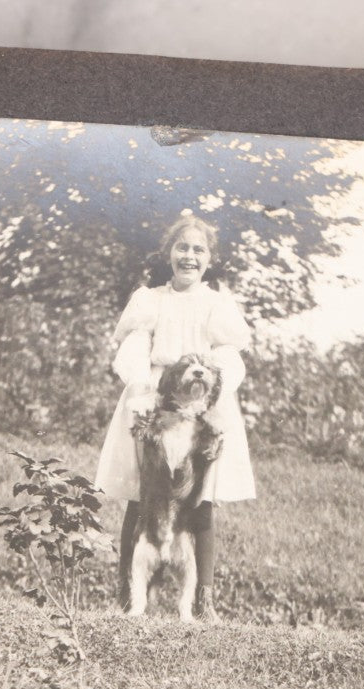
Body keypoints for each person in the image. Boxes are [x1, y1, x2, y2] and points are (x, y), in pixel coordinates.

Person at [95, 213, 255, 620]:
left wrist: (210, 397)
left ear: (210, 258)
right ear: (168, 253)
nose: (189, 256)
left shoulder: (217, 303)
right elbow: (133, 348)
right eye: (182, 247)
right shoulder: (151, 300)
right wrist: (143, 392)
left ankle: (203, 601)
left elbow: (227, 357)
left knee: (198, 499)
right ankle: (129, 597)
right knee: (142, 495)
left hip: (202, 404)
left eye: (198, 249)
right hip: (154, 401)